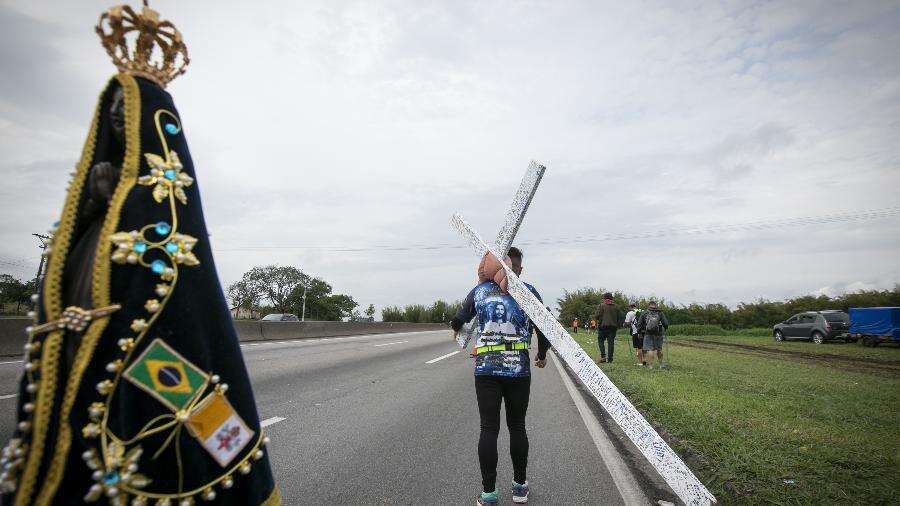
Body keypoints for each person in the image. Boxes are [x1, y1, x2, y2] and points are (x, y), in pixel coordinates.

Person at [2, 5, 279, 504]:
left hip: (151, 373)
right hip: (76, 363)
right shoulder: (84, 221)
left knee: (180, 440)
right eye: (112, 118)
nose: (117, 126)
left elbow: (187, 323)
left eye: (126, 117)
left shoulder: (165, 217)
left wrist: (217, 431)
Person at [451, 247, 550, 505]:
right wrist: (541, 355)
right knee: (517, 426)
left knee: (488, 428)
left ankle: (489, 494)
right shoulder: (529, 292)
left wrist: (461, 333)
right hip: (518, 370)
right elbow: (544, 327)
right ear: (519, 268)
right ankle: (519, 488)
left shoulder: (480, 290)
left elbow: (457, 320)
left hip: (486, 370)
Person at [637, 301, 670, 369]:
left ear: (649, 306)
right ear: (656, 306)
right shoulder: (660, 312)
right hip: (659, 333)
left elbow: (639, 324)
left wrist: (639, 332)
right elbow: (666, 323)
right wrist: (665, 328)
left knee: (650, 349)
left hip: (648, 333)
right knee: (659, 349)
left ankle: (650, 366)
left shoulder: (644, 313)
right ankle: (661, 365)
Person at [594, 293, 622, 363]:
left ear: (605, 298)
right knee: (611, 343)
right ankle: (610, 359)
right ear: (611, 298)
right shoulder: (616, 307)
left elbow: (597, 316)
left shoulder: (601, 305)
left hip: (602, 327)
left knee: (600, 341)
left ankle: (603, 357)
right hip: (613, 328)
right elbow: (620, 318)